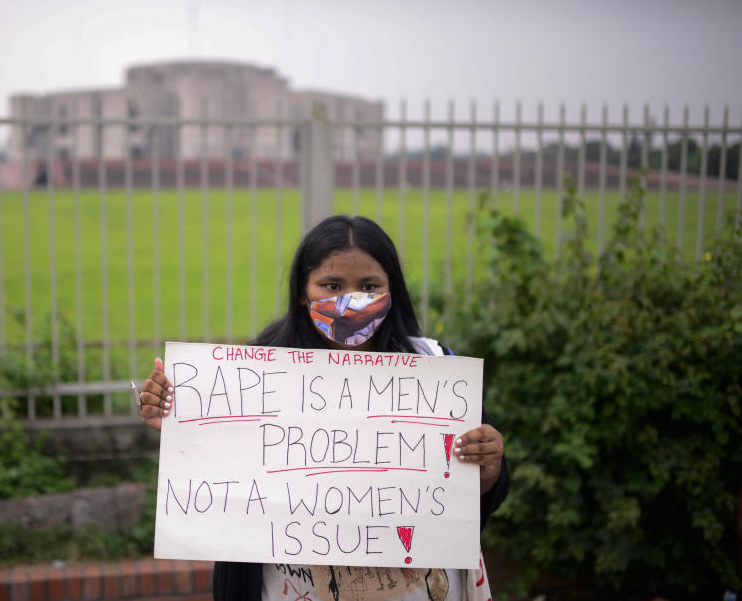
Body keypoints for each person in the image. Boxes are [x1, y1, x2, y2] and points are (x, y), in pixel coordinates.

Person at [137, 215, 509, 601]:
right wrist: (180, 426)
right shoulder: (255, 370)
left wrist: (489, 468)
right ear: (303, 291)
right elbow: (224, 477)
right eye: (332, 286)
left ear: (391, 289)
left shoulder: (434, 370)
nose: (350, 301)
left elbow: (474, 491)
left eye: (369, 286)